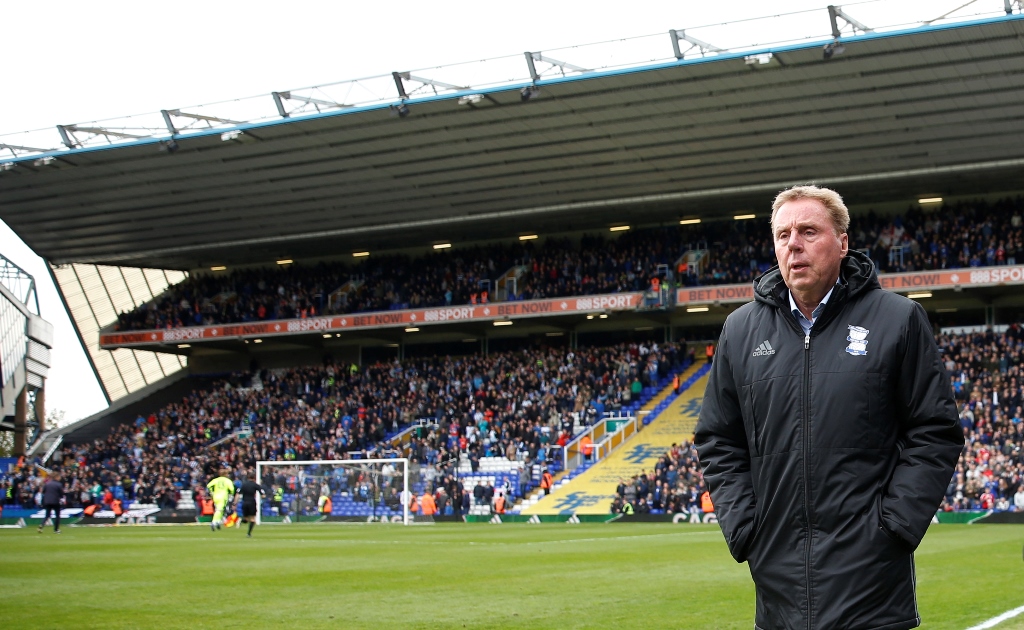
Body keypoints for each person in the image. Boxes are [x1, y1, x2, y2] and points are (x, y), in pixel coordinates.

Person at [694, 185, 964, 630]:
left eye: (808, 231)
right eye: (782, 235)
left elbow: (935, 430)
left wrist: (894, 528)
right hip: (777, 588)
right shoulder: (740, 330)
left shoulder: (897, 319)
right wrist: (746, 529)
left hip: (872, 589)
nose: (793, 244)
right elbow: (718, 437)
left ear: (842, 241)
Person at [238, 473, 265, 537]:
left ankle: (240, 520)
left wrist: (235, 503)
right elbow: (263, 495)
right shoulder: (256, 485)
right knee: (252, 519)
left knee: (246, 519)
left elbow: (238, 493)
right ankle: (249, 533)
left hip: (244, 502)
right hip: (252, 502)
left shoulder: (243, 485)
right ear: (254, 478)